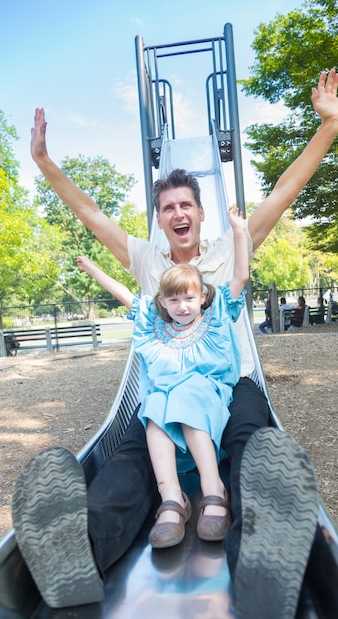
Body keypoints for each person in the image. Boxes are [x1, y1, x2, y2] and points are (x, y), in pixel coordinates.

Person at [12, 69, 338, 616]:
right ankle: (79, 546)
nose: (178, 214)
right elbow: (90, 213)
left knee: (250, 440)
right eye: (167, 208)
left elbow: (284, 193)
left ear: (200, 211)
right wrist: (46, 163)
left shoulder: (224, 252)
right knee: (134, 452)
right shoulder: (147, 261)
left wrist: (327, 129)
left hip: (230, 381)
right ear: (162, 221)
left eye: (185, 205)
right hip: (167, 386)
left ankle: (261, 559)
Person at [76, 205, 248, 548]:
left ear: (202, 297)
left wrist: (240, 232)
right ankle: (173, 499)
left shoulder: (214, 316)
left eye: (188, 297)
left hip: (207, 396)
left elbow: (240, 277)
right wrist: (94, 270)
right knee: (153, 407)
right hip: (170, 409)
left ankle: (214, 490)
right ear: (163, 304)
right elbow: (125, 295)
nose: (182, 305)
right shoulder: (157, 326)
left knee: (184, 394)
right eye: (173, 300)